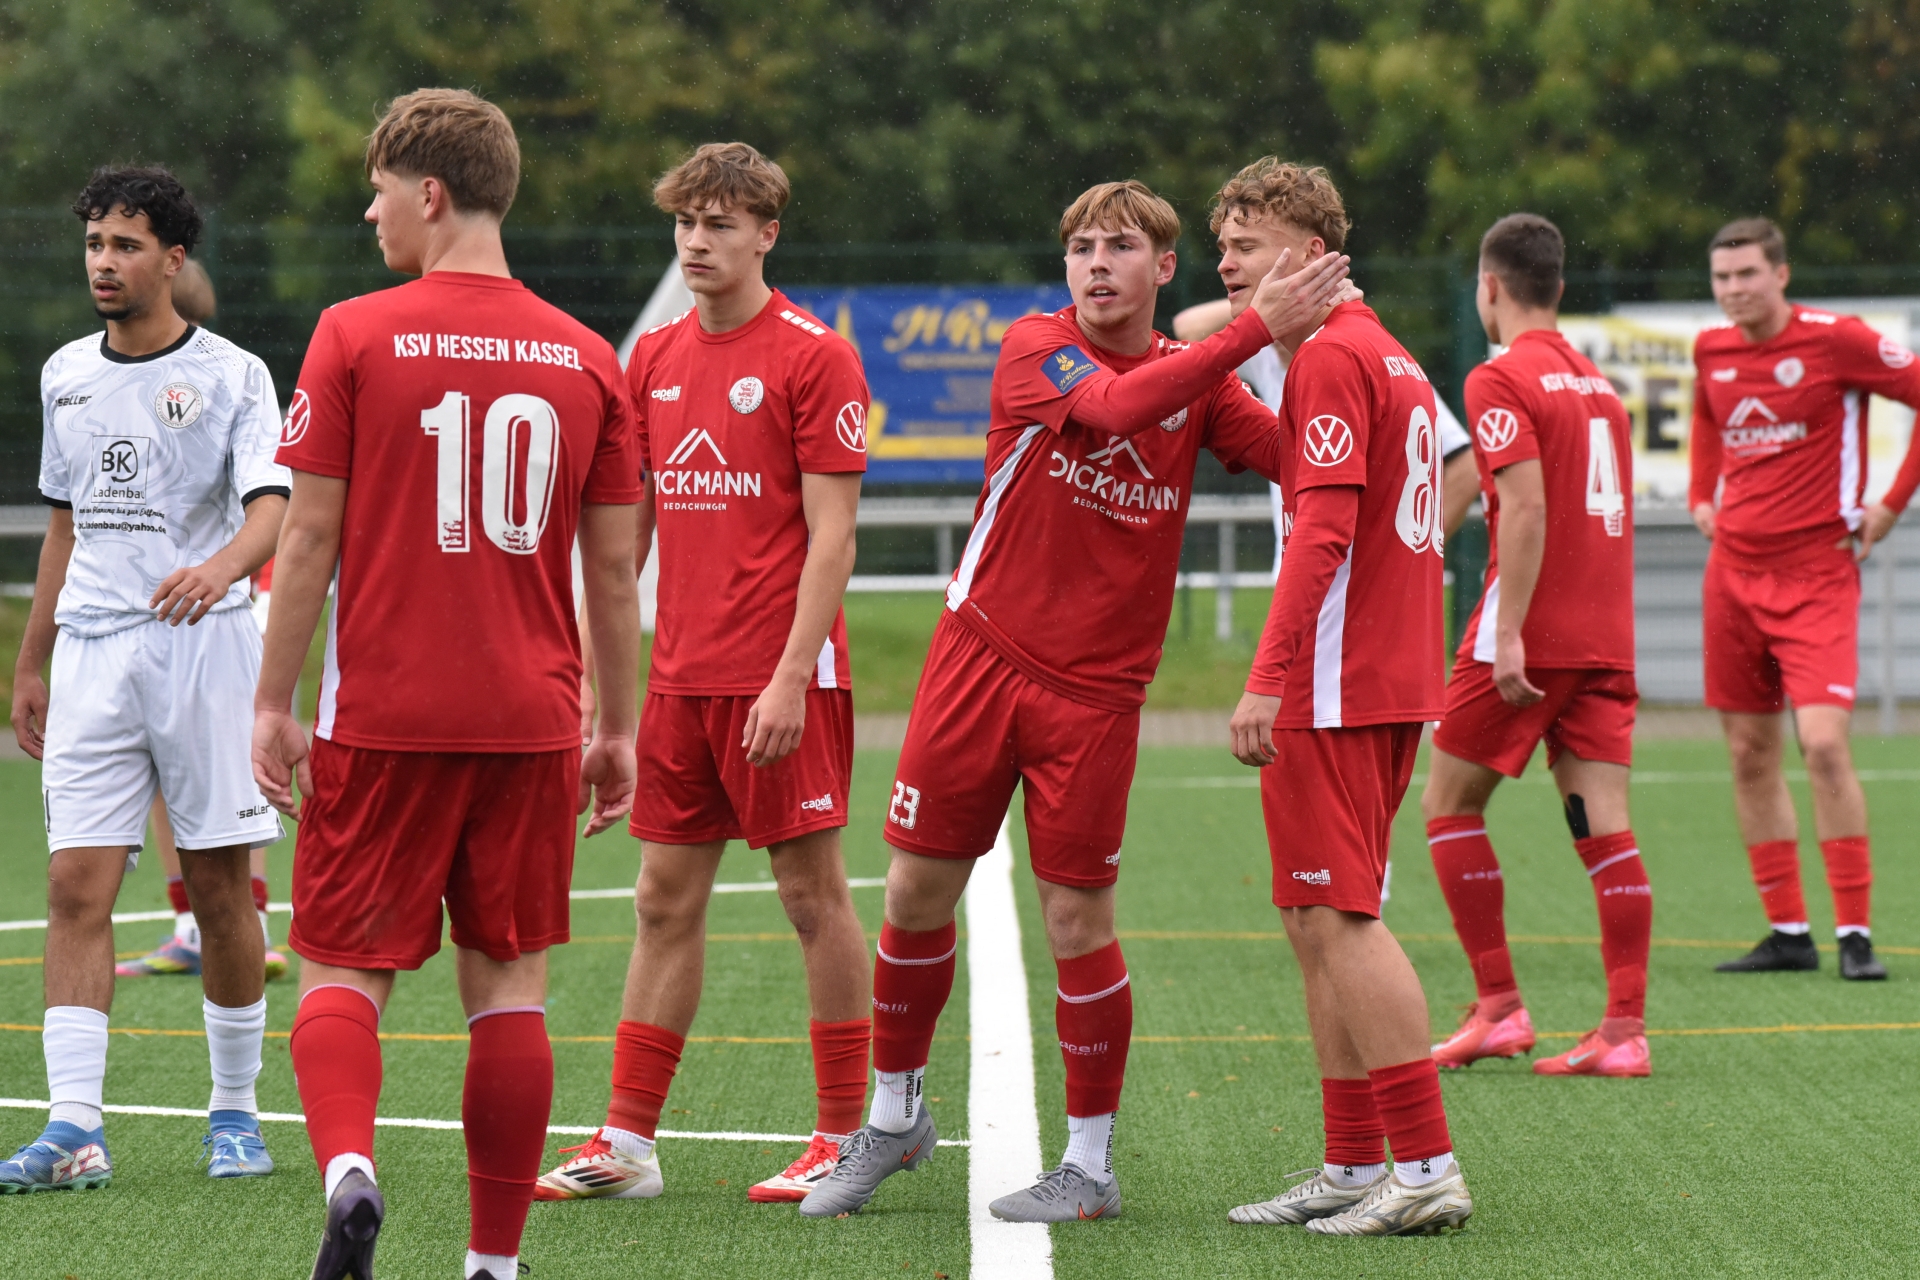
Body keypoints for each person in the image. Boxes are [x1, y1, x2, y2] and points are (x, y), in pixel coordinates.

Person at [799, 177, 1352, 1222]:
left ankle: (1089, 1167)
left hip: (1097, 696)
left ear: (1165, 268)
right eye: (1083, 247)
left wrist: (1336, 353)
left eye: (1121, 247)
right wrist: (1252, 330)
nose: (1097, 264)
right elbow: (1113, 407)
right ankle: (893, 1115)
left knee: (1076, 917)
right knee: (914, 894)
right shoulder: (1038, 345)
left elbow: (1298, 457)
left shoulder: (1200, 379)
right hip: (980, 659)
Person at [251, 89, 642, 1280]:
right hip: (532, 718)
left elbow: (306, 538)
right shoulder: (588, 356)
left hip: (386, 712)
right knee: (508, 988)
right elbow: (614, 569)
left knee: (341, 968)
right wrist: (617, 726)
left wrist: (273, 700)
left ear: (430, 192)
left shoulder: (353, 333)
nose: (369, 214)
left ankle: (349, 1170)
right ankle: (493, 1264)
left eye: (378, 192)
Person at [532, 142, 875, 1207]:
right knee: (660, 898)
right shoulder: (653, 357)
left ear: (766, 234)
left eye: (720, 223)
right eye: (685, 221)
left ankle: (845, 1132)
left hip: (783, 681)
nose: (696, 241)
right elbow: (625, 537)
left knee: (811, 897)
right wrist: (599, 686)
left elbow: (834, 539)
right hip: (680, 684)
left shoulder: (817, 356)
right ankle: (628, 1141)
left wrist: (788, 677)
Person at [3, 166, 287, 1192]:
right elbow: (65, 527)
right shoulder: (64, 374)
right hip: (91, 655)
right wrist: (32, 660)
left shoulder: (234, 375)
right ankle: (74, 1126)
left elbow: (273, 506)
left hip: (204, 649)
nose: (104, 262)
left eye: (125, 245)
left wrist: (221, 569)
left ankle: (235, 1114)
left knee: (218, 889)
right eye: (94, 244)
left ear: (173, 259)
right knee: (73, 884)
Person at [1223, 159, 1471, 1235]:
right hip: (1376, 672)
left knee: (1342, 916)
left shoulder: (1330, 354)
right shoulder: (1384, 351)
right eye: (1223, 244)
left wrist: (1265, 676)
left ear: (1311, 252)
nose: (1227, 261)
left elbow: (1323, 532)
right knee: (1312, 915)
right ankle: (1354, 1158)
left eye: (1247, 242)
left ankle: (1424, 1165)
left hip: (1336, 679)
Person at [1418, 214, 1651, 1077]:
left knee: (1448, 806)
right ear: (1557, 285)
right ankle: (1623, 1032)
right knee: (1607, 830)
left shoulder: (1499, 377)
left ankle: (1499, 1008)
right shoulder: (1599, 386)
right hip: (1606, 636)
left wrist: (1509, 630)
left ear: (1490, 287)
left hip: (1531, 633)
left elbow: (1525, 507)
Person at [1690, 217, 1920, 980]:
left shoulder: (1837, 340)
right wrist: (1699, 495)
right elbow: (1706, 416)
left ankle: (1855, 933)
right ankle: (1789, 932)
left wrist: (1891, 504)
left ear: (1781, 275)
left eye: (1747, 274)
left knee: (1822, 745)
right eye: (1722, 277)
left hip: (1818, 573)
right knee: (1748, 752)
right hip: (1731, 576)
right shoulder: (1711, 348)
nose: (1733, 290)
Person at [113, 255, 289, 985]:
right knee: (224, 765)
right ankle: (225, 922)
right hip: (235, 599)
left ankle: (220, 924)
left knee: (210, 766)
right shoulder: (226, 375)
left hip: (216, 607)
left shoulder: (210, 383)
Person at [1174, 297, 1481, 562]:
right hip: (1301, 572)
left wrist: (1403, 553)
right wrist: (1268, 302)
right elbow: (1189, 329)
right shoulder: (1271, 357)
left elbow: (1467, 468)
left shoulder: (1371, 360)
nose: (1277, 332)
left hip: (1353, 584)